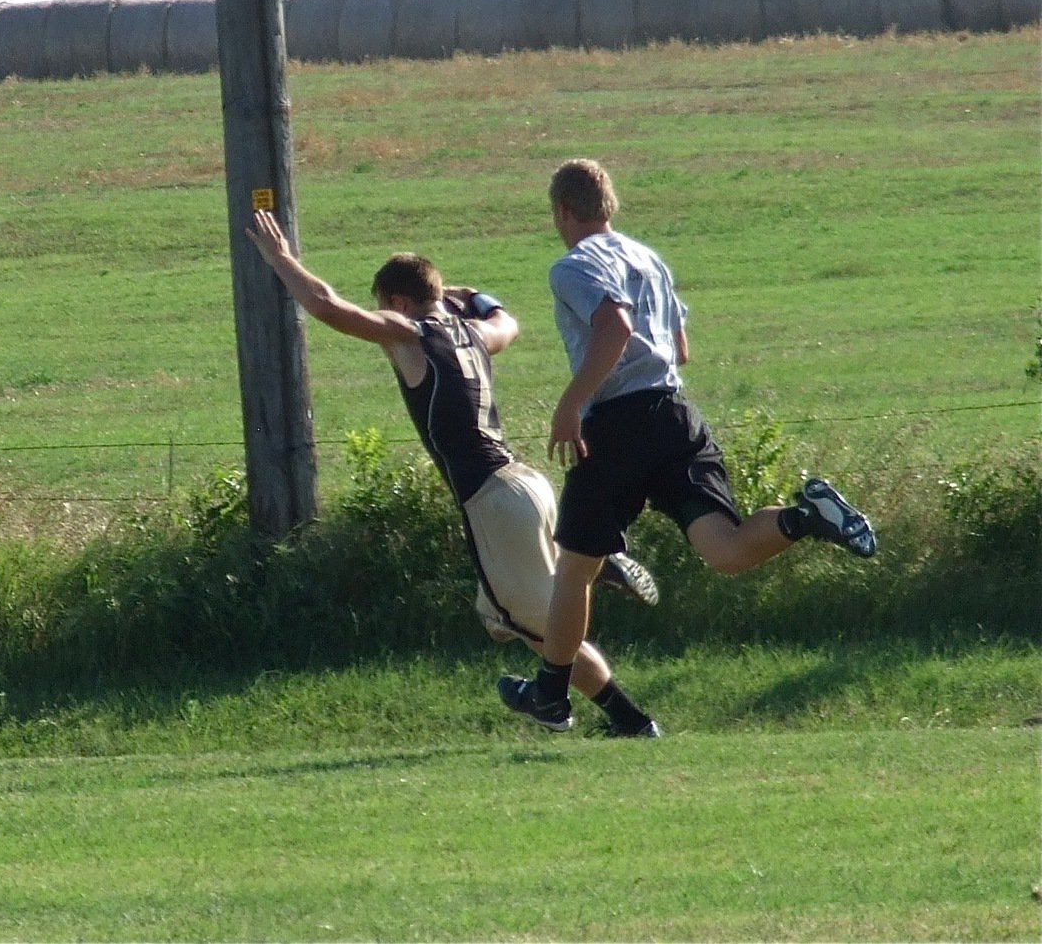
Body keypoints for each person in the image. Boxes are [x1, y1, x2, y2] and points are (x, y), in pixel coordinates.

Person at [246, 209, 662, 737]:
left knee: (544, 633)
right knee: (496, 615)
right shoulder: (473, 332)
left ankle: (623, 715)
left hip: (492, 499)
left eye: (384, 307)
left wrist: (281, 260)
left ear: (397, 303)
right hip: (526, 484)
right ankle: (584, 573)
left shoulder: (410, 334)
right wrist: (475, 295)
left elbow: (327, 305)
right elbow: (507, 322)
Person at [498, 158, 877, 732]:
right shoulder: (649, 258)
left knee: (574, 567)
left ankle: (551, 695)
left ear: (562, 211)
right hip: (675, 416)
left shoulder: (572, 265)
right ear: (610, 205)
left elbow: (615, 327)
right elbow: (679, 347)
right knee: (726, 550)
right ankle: (804, 518)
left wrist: (572, 402)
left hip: (618, 425)